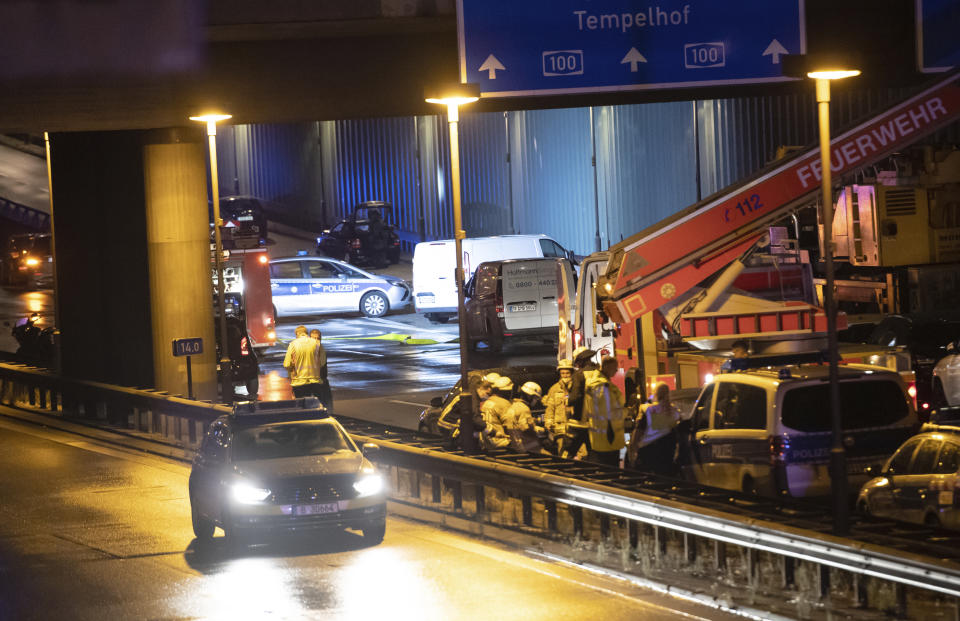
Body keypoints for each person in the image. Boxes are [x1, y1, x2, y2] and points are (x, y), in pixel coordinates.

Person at [627, 382, 682, 476]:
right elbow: (678, 434)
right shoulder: (675, 412)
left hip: (649, 455)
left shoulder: (650, 411)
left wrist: (633, 450)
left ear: (656, 394)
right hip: (667, 455)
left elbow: (638, 433)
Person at [583, 356, 626, 468]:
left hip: (601, 439)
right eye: (615, 368)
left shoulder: (598, 383)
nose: (616, 371)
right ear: (607, 367)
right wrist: (626, 411)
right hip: (608, 438)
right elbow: (609, 411)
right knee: (609, 472)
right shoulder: (603, 386)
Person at [564, 346, 598, 460]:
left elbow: (574, 398)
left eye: (577, 361)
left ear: (581, 360)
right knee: (594, 453)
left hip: (580, 423)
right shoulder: (600, 373)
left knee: (568, 453)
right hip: (598, 422)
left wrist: (566, 400)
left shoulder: (579, 375)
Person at [543, 359, 575, 456]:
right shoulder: (554, 389)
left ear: (572, 373)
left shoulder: (577, 387)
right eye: (563, 373)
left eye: (567, 373)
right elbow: (550, 408)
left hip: (575, 428)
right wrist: (548, 422)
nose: (565, 375)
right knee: (563, 454)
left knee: (581, 454)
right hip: (560, 430)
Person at [283, 325, 325, 400]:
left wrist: (292, 368)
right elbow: (322, 362)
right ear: (306, 333)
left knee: (302, 405)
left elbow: (286, 364)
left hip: (299, 382)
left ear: (297, 334)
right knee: (317, 406)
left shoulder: (293, 344)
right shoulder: (317, 343)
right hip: (315, 381)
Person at [504, 381, 544, 453]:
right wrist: (541, 430)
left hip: (514, 443)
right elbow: (526, 429)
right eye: (536, 398)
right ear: (529, 396)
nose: (536, 401)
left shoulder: (514, 405)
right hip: (525, 446)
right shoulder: (524, 408)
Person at [479, 375, 513, 450]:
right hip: (501, 442)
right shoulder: (504, 403)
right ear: (507, 392)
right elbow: (510, 426)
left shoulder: (486, 402)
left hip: (486, 443)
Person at [310, 328, 334, 411]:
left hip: (321, 380)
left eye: (318, 338)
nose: (316, 340)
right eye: (314, 338)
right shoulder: (309, 350)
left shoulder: (321, 349)